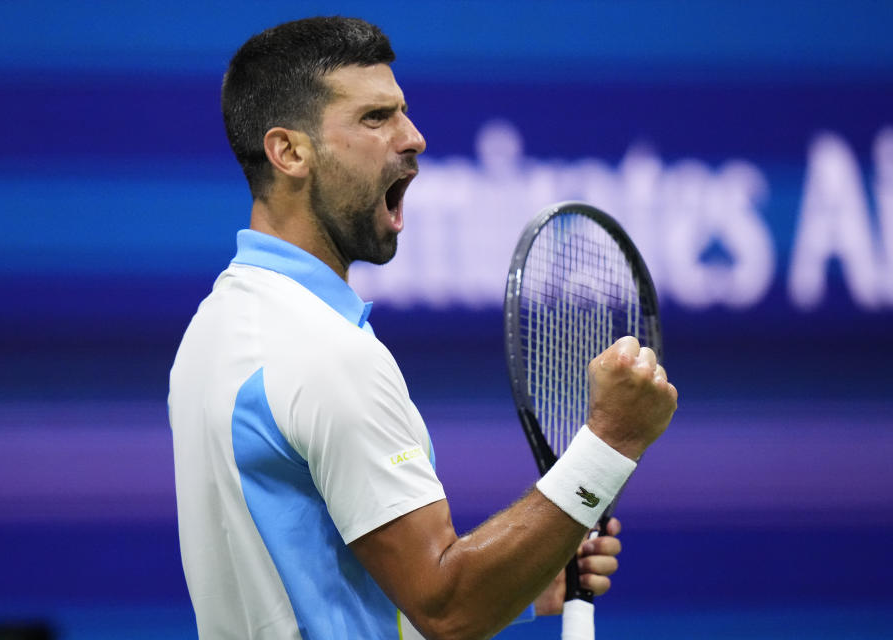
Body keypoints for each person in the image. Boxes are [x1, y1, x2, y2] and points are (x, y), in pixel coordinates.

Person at [168, 16, 678, 640]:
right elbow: (449, 607)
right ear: (290, 152)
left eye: (403, 111)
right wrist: (610, 441)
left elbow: (315, 578)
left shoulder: (217, 327)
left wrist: (519, 581)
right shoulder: (325, 355)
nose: (414, 137)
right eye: (375, 118)